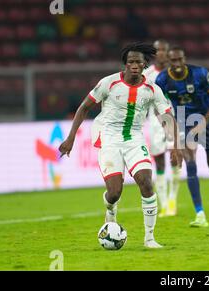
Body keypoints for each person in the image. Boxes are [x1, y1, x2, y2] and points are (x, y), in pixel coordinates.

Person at [58, 43, 182, 249]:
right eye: (130, 61)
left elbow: (168, 117)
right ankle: (110, 209)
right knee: (115, 193)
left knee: (146, 182)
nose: (134, 65)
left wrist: (175, 146)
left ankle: (149, 238)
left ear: (144, 65)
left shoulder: (152, 89)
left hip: (134, 139)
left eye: (138, 62)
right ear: (125, 64)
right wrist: (71, 138)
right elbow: (84, 107)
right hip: (109, 138)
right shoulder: (109, 83)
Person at [155, 46, 209, 227]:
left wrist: (204, 122)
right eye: (173, 61)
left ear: (184, 59)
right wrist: (170, 130)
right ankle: (200, 213)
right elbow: (159, 106)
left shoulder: (200, 74)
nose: (177, 64)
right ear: (168, 62)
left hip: (205, 118)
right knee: (190, 162)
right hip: (182, 122)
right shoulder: (162, 79)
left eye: (180, 60)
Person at [143, 40, 181, 218]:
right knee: (158, 162)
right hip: (155, 122)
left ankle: (172, 200)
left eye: (164, 50)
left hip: (175, 119)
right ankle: (164, 204)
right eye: (157, 50)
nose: (161, 53)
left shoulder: (176, 72)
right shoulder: (147, 74)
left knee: (175, 159)